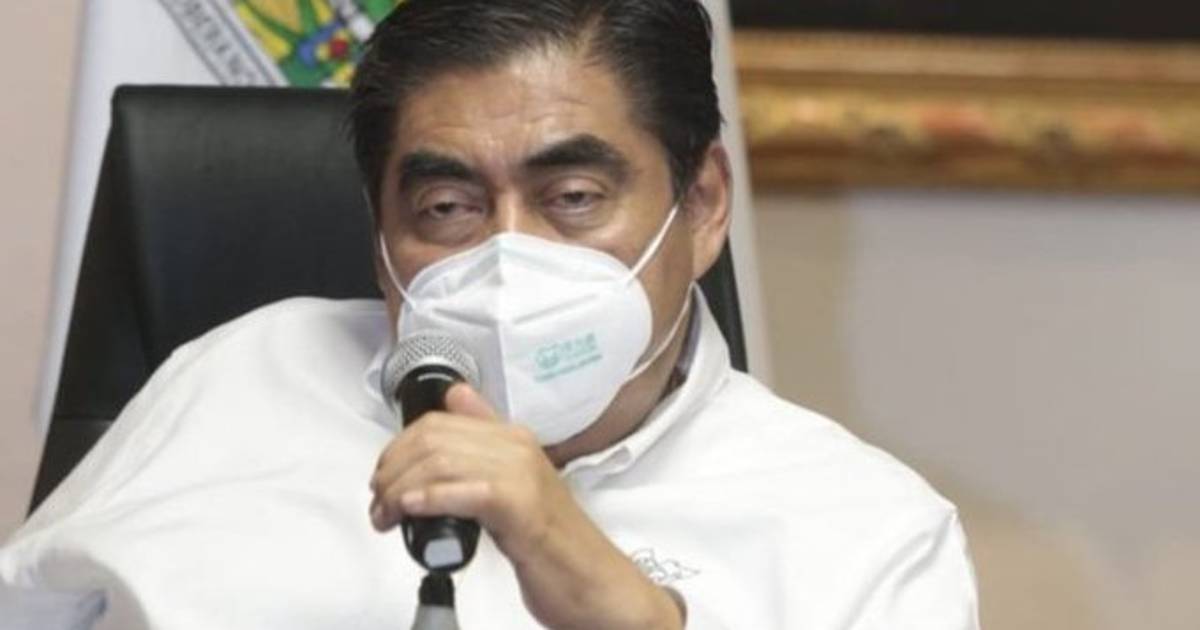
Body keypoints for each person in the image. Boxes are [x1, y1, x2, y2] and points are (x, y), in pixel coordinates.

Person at [0, 0, 979, 628]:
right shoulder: (236, 378)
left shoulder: (863, 531)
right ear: (379, 224)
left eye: (574, 198)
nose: (508, 259)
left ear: (704, 203)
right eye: (447, 207)